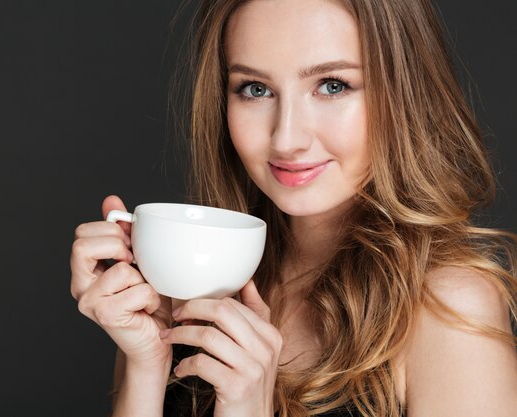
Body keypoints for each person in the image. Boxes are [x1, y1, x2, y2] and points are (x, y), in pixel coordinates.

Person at [70, 0, 517, 415]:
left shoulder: (449, 308)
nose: (286, 139)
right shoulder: (190, 278)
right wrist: (145, 365)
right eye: (256, 89)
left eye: (332, 85)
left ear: (403, 93)